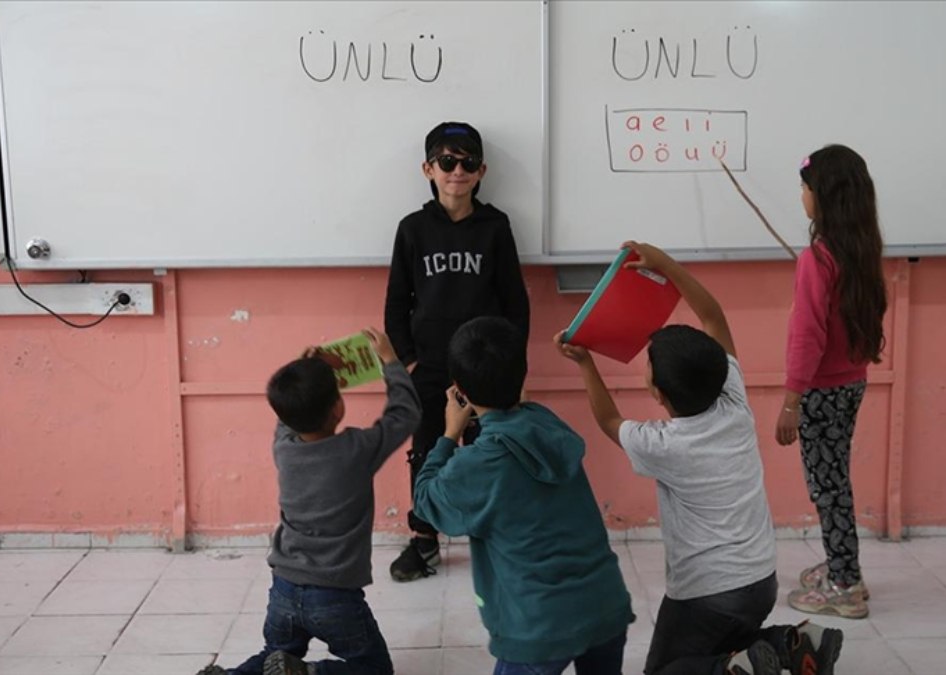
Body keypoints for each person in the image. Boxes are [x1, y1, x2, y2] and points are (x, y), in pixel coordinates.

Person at [555, 241, 844, 675]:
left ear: (659, 396)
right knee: (728, 634)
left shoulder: (665, 445)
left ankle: (734, 667)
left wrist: (584, 363)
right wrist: (667, 265)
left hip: (707, 595)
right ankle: (787, 643)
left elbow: (609, 419)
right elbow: (713, 316)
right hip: (761, 580)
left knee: (669, 671)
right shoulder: (733, 400)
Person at [414, 316, 634, 675]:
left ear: (460, 391)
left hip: (538, 628)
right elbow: (520, 412)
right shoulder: (547, 423)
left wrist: (449, 433)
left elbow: (426, 500)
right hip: (605, 602)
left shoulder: (476, 465)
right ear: (523, 374)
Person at [199, 328, 420, 675]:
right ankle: (308, 672)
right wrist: (391, 361)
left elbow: (287, 418)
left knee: (275, 653)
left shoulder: (284, 448)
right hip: (336, 597)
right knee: (374, 670)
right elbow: (404, 415)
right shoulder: (356, 450)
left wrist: (303, 372)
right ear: (338, 407)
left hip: (284, 589)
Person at [383, 121, 530, 582]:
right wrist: (409, 360)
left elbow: (515, 301)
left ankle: (494, 537)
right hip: (428, 367)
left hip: (486, 365)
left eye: (467, 162)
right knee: (428, 450)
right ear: (429, 169)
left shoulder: (496, 227)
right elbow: (396, 303)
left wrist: (512, 363)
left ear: (481, 170)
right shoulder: (412, 229)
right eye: (447, 161)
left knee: (490, 450)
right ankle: (424, 540)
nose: (457, 171)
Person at [776, 145, 887, 619]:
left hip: (819, 392)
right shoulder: (857, 250)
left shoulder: (817, 259)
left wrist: (791, 400)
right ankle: (843, 565)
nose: (801, 195)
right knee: (835, 480)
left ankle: (845, 583)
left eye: (805, 188)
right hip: (851, 383)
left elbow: (807, 335)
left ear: (825, 196)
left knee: (827, 485)